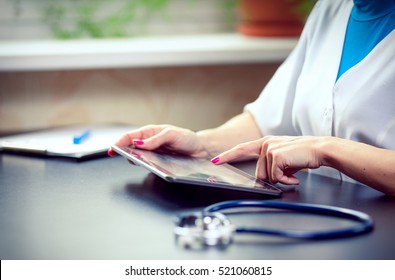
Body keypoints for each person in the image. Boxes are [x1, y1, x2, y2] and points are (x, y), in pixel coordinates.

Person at [109, 0, 395, 196]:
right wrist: (202, 144)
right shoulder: (331, 9)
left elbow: (316, 146)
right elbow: (268, 121)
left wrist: (325, 149)